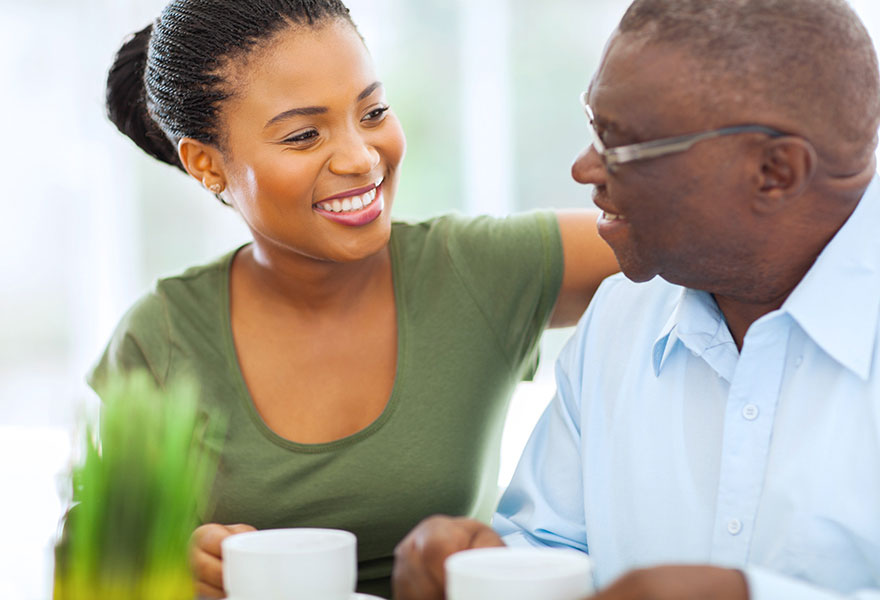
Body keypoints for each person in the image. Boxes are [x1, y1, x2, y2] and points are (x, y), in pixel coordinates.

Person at [94, 1, 620, 598]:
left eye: (372, 111)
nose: (361, 157)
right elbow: (95, 552)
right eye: (303, 135)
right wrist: (159, 563)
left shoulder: (480, 271)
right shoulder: (159, 339)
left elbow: (682, 234)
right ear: (207, 164)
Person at [392, 1, 880, 599]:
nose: (585, 169)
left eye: (621, 145)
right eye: (592, 128)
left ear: (775, 171)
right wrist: (488, 565)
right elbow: (557, 545)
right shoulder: (619, 319)